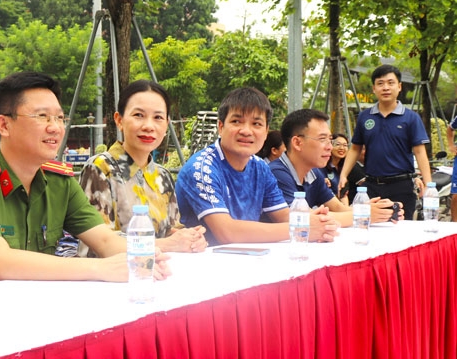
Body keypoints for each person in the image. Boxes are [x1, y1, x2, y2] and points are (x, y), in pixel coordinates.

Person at [0, 71, 171, 285]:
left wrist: (143, 256)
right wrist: (101, 268)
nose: (55, 128)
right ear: (4, 125)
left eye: (60, 118)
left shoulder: (59, 181)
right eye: (42, 116)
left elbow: (104, 240)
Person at [175, 87, 339, 246]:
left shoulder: (260, 167)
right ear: (220, 127)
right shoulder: (202, 167)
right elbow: (226, 232)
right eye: (236, 121)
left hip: (249, 257)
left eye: (256, 123)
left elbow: (283, 216)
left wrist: (319, 221)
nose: (246, 131)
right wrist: (301, 227)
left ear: (266, 131)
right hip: (202, 259)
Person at [79, 80, 207, 253]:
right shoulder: (100, 169)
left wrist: (191, 238)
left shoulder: (162, 175)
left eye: (158, 117)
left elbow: (170, 230)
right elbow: (98, 243)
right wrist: (167, 244)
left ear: (167, 124)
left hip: (161, 266)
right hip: (118, 268)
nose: (148, 126)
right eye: (139, 115)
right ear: (119, 120)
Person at [268, 109, 401, 226]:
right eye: (322, 139)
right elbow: (301, 219)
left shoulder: (314, 173)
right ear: (297, 143)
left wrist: (381, 211)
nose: (330, 147)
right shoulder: (276, 173)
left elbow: (338, 208)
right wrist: (365, 214)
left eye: (330, 140)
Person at [339, 64, 432, 218]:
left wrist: (428, 184)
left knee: (401, 227)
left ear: (399, 86)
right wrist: (343, 175)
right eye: (380, 83)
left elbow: (420, 152)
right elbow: (355, 148)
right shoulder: (364, 117)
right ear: (374, 88)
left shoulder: (411, 118)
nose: (386, 88)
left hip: (402, 186)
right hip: (371, 186)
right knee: (369, 225)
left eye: (390, 83)